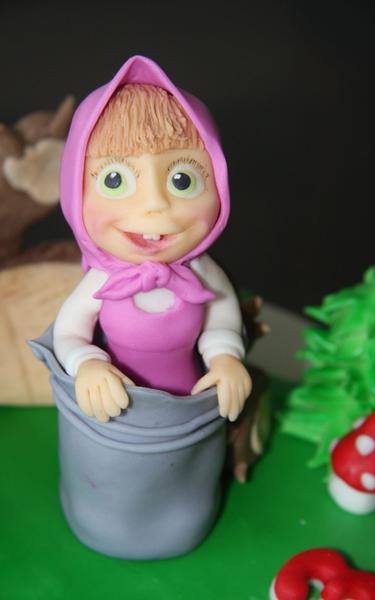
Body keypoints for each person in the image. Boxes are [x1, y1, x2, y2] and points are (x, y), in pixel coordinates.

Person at [53, 55, 252, 424]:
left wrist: (225, 358)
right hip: (116, 411)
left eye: (182, 180)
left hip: (189, 405)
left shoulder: (202, 271)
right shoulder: (101, 280)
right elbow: (68, 333)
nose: (155, 205)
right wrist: (88, 364)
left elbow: (222, 323)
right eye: (114, 180)